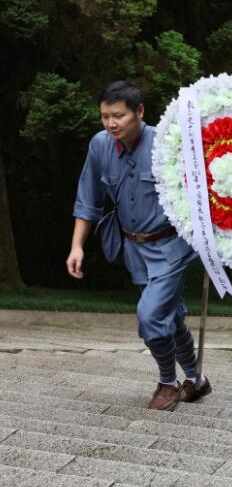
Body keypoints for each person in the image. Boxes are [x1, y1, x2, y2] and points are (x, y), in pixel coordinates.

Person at [67, 81, 208, 412]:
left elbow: (200, 193)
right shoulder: (100, 146)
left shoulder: (167, 144)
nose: (111, 123)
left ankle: (167, 383)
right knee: (169, 317)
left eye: (119, 116)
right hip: (133, 248)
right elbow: (87, 200)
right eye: (105, 116)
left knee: (149, 316)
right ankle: (196, 379)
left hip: (171, 246)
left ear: (139, 112)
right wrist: (77, 246)